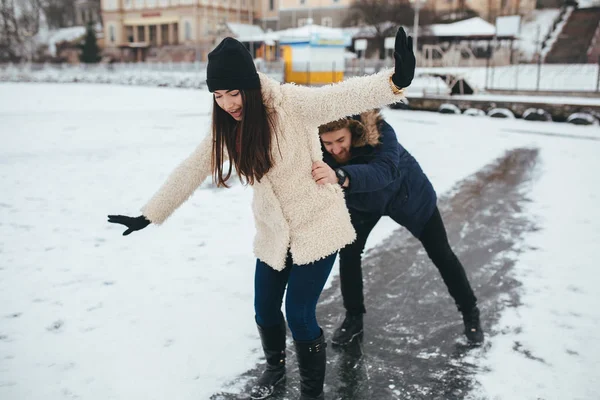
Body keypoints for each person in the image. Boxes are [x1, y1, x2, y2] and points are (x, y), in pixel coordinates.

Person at [107, 30, 415, 400]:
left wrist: (395, 82)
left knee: (299, 314)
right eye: (218, 96)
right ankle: (274, 369)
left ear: (250, 86)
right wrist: (150, 214)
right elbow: (192, 168)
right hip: (274, 232)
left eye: (233, 93)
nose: (227, 103)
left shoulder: (291, 104)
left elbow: (341, 95)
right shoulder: (228, 128)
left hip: (318, 225)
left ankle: (311, 394)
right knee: (264, 309)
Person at [312, 110, 484, 346]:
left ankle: (470, 311)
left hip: (407, 195)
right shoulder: (317, 148)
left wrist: (340, 175)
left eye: (340, 140)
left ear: (353, 131)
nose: (335, 149)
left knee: (441, 253)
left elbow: (385, 171)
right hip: (362, 203)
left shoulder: (380, 132)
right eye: (328, 143)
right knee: (349, 253)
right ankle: (354, 318)